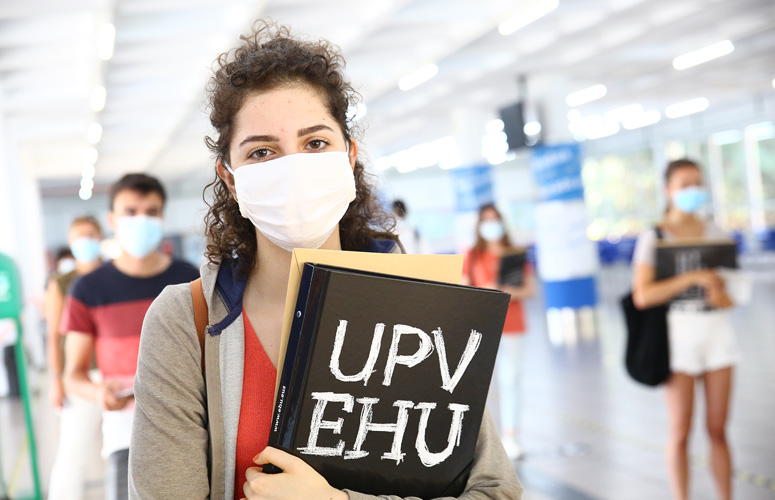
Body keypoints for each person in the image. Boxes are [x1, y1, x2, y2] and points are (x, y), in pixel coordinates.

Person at [128, 22, 522, 500]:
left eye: (315, 143)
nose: (292, 168)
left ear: (349, 157)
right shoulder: (185, 323)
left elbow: (495, 491)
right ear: (230, 179)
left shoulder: (422, 311)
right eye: (262, 152)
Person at [61, 174, 199, 500]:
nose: (142, 220)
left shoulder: (190, 280)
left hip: (190, 428)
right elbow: (73, 375)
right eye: (131, 211)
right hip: (126, 434)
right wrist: (98, 392)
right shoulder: (88, 289)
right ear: (112, 220)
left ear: (163, 217)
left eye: (151, 212)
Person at [631, 159, 738, 500]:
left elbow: (733, 296)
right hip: (678, 337)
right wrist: (691, 278)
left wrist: (720, 293)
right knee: (681, 430)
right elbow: (642, 295)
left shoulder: (717, 233)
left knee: (718, 429)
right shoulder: (654, 237)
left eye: (697, 182)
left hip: (717, 334)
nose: (693, 190)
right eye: (684, 184)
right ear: (668, 190)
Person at [462, 204, 534, 460]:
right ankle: (477, 441)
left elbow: (529, 289)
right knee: (479, 384)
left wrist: (508, 291)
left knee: (511, 380)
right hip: (484, 326)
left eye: (495, 219)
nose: (491, 224)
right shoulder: (473, 255)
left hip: (512, 325)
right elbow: (465, 291)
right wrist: (488, 288)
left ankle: (511, 436)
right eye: (486, 219)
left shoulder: (515, 253)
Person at [44, 216, 103, 500]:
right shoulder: (61, 283)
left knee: (128, 448)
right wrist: (56, 380)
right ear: (70, 241)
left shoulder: (115, 274)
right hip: (79, 376)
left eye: (91, 234)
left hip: (118, 371)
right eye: (79, 235)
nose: (85, 240)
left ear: (100, 237)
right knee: (72, 451)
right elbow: (53, 336)